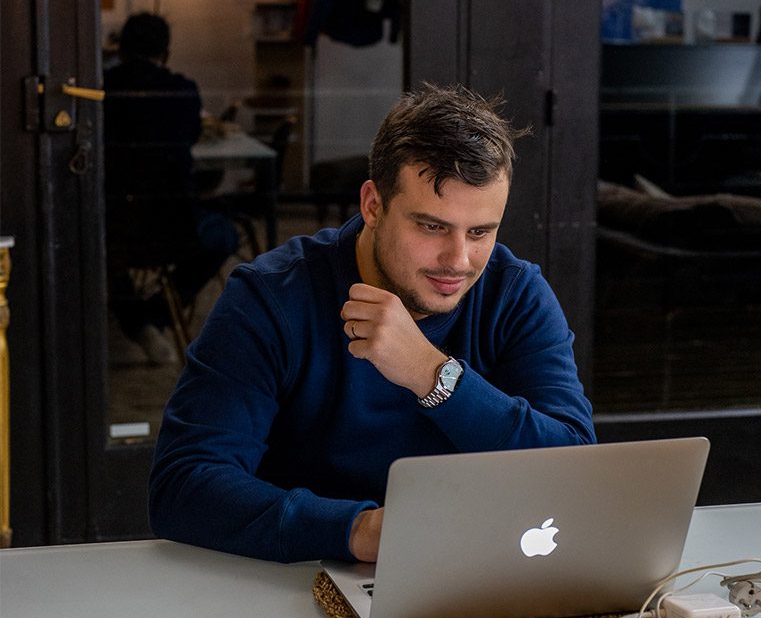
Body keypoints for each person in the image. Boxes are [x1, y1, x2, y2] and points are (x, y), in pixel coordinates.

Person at [149, 84, 595, 562]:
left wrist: (434, 375)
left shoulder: (516, 294)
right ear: (373, 206)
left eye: (480, 232)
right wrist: (358, 531)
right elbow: (183, 486)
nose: (459, 260)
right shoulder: (271, 298)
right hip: (297, 583)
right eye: (432, 226)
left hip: (475, 571)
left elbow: (572, 470)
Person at [104, 13, 238, 365]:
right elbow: (191, 138)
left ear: (120, 48)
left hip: (114, 224)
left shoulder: (100, 90)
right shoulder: (182, 91)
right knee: (224, 235)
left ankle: (137, 318)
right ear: (165, 51)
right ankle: (156, 315)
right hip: (174, 227)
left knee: (101, 251)